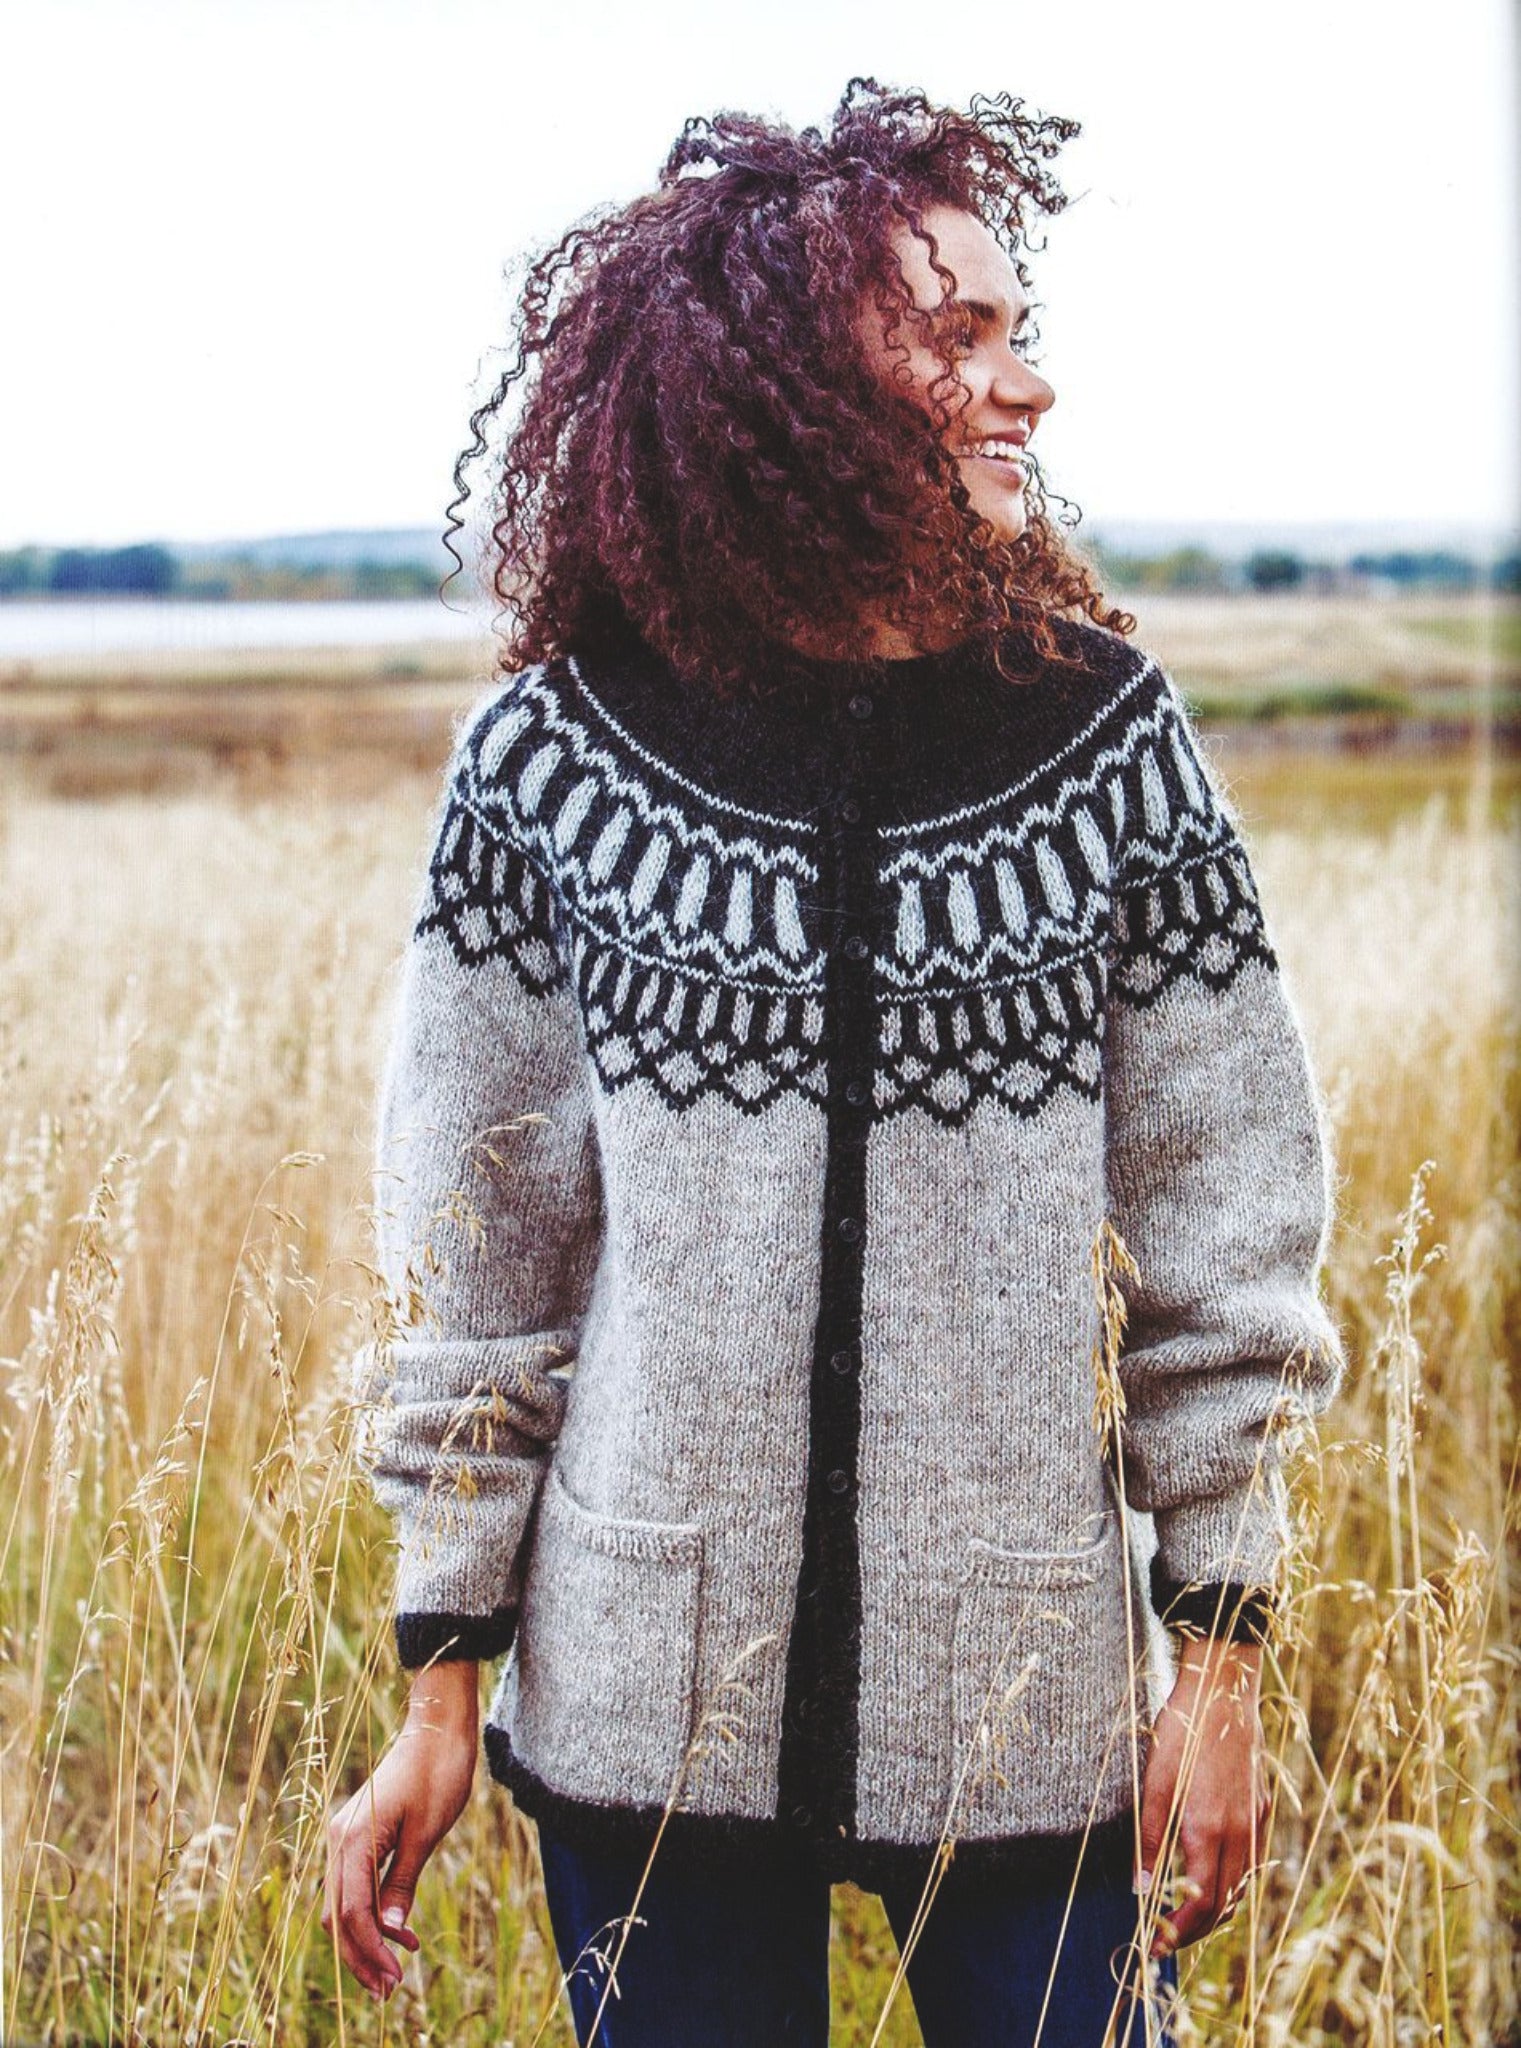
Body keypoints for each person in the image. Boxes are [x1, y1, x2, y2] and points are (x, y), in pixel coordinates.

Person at [323, 78, 1346, 2047]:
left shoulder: (1100, 746)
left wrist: (1206, 1665)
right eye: (953, 337)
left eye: (1014, 326)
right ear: (791, 384)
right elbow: (476, 1275)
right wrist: (441, 1684)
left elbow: (1225, 1249)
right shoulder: (551, 768)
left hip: (1023, 1705)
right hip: (641, 1710)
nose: (1020, 386)